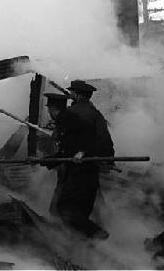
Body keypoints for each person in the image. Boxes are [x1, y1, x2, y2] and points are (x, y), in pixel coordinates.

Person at [42, 80, 114, 240]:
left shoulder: (71, 113)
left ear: (77, 95)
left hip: (75, 166)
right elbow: (104, 139)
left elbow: (63, 143)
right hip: (92, 164)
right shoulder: (95, 113)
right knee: (89, 200)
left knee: (62, 206)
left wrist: (77, 154)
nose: (71, 94)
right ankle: (92, 234)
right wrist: (108, 160)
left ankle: (66, 237)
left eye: (72, 92)